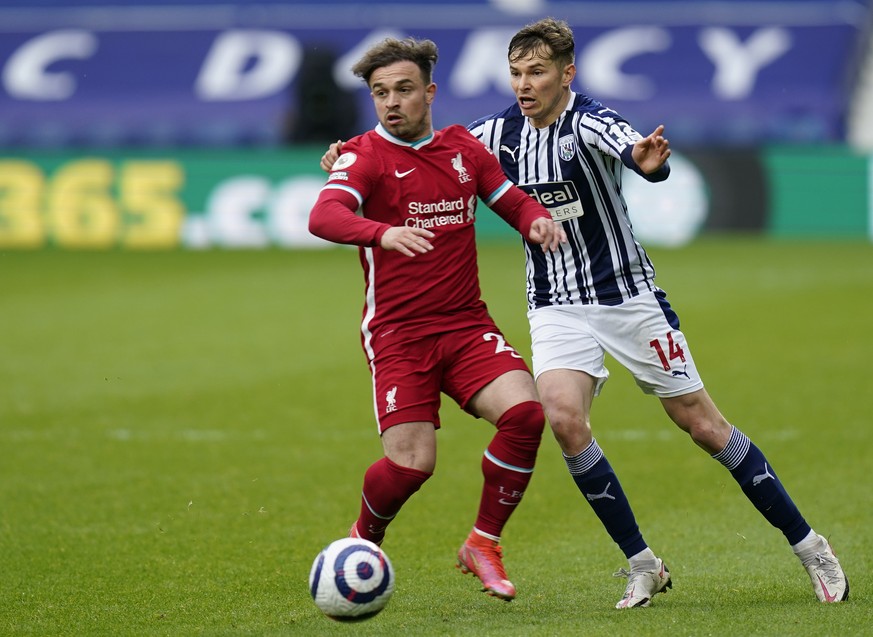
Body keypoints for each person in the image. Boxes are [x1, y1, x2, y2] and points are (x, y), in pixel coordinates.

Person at [320, 18, 849, 609]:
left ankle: (810, 547)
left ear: (566, 74)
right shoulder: (491, 134)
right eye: (516, 73)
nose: (524, 85)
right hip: (555, 305)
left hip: (628, 296)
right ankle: (642, 564)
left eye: (537, 73)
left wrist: (649, 163)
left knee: (704, 426)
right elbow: (429, 151)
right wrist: (347, 155)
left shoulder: (589, 121)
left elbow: (632, 146)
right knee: (563, 420)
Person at [308, 36, 567, 602]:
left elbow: (510, 198)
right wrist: (383, 231)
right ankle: (363, 541)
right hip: (399, 335)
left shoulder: (462, 149)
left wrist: (536, 221)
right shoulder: (364, 156)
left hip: (466, 323)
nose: (392, 102)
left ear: (429, 91)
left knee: (525, 414)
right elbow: (323, 216)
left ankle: (483, 543)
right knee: (412, 465)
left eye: (403, 90)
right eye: (380, 93)